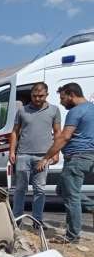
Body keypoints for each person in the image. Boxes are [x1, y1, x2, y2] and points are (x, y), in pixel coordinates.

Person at [38, 82, 94, 243]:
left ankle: (72, 237)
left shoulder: (76, 111)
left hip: (77, 158)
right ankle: (91, 207)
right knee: (62, 190)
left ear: (71, 95)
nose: (61, 102)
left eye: (63, 98)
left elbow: (64, 137)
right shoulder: (91, 108)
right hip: (88, 157)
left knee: (71, 198)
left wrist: (46, 157)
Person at [9, 82, 61, 227]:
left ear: (47, 95)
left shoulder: (54, 110)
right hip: (23, 155)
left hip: (43, 157)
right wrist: (12, 151)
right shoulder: (22, 111)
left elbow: (58, 133)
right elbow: (15, 132)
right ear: (31, 95)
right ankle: (17, 219)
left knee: (39, 189)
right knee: (20, 189)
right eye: (34, 96)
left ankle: (37, 221)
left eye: (41, 96)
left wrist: (56, 153)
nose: (37, 99)